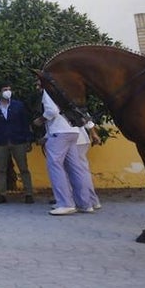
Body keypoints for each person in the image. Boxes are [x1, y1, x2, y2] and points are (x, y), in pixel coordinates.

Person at [36, 83, 95, 216]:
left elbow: (52, 111)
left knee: (55, 166)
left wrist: (40, 119)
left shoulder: (48, 91)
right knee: (76, 168)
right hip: (73, 131)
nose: (36, 85)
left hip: (59, 132)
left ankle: (65, 203)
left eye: (38, 82)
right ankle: (85, 204)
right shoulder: (68, 91)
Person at [0, 84, 35, 204]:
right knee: (1, 169)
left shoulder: (18, 105)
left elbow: (25, 123)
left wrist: (28, 139)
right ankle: (2, 194)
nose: (8, 92)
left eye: (10, 89)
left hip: (18, 140)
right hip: (0, 141)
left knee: (23, 168)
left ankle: (29, 193)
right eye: (5, 90)